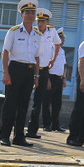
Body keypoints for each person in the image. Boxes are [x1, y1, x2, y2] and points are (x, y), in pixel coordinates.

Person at [0, 0, 42, 147]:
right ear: (21, 15)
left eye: (32, 13)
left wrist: (36, 77)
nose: (30, 15)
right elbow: (5, 53)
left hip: (29, 71)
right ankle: (4, 136)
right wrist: (5, 73)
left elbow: (37, 57)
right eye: (27, 12)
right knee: (10, 105)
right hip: (15, 69)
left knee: (24, 105)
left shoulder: (37, 34)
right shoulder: (14, 31)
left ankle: (19, 136)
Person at [26, 8, 61, 139]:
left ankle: (32, 130)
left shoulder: (52, 31)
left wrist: (53, 58)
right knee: (24, 99)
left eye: (42, 21)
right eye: (38, 21)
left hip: (44, 69)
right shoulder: (32, 31)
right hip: (30, 68)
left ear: (47, 22)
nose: (40, 23)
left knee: (38, 101)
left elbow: (57, 44)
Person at [45, 28, 66, 131]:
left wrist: (64, 79)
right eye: (60, 37)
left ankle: (55, 125)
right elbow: (46, 64)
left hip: (59, 78)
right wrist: (47, 79)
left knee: (57, 103)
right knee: (47, 102)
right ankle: (47, 124)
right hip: (51, 77)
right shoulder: (50, 48)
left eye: (63, 38)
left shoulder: (62, 51)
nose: (62, 39)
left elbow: (63, 65)